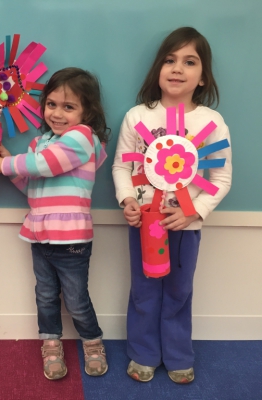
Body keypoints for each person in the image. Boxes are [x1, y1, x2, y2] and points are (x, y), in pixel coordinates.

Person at [112, 27, 232, 384]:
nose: (177, 68)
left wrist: (193, 212)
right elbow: (121, 166)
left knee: (179, 291)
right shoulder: (138, 117)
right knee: (145, 289)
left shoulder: (211, 123)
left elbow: (221, 179)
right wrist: (128, 199)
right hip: (145, 224)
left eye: (189, 61)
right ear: (158, 69)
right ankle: (144, 352)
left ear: (203, 77)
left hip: (185, 226)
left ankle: (179, 354)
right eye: (170, 59)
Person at [0, 67, 110, 380]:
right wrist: (9, 167)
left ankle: (92, 341)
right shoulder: (40, 144)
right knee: (45, 296)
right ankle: (50, 342)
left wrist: (3, 163)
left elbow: (46, 166)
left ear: (86, 112)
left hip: (71, 238)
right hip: (40, 234)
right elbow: (33, 186)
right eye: (51, 104)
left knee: (76, 300)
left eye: (69, 107)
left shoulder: (83, 137)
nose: (57, 113)